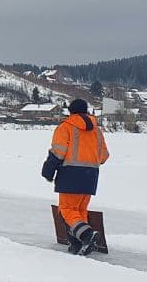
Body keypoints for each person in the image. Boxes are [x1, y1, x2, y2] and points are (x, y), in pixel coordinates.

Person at [41, 98, 110, 254]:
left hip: (70, 174)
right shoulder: (96, 131)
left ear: (70, 111)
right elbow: (104, 156)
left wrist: (48, 171)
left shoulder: (65, 127)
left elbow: (58, 152)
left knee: (66, 209)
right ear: (86, 111)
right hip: (91, 175)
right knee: (79, 211)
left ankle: (86, 235)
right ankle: (78, 244)